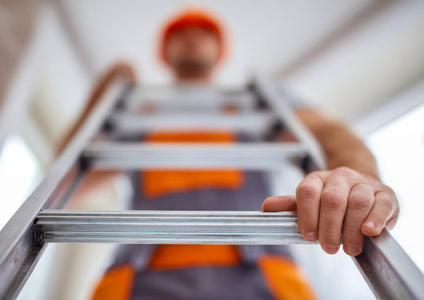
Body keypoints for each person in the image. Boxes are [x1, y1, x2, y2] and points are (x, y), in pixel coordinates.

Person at [58, 9, 399, 300]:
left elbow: (327, 133)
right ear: (165, 51)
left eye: (203, 32)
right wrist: (101, 98)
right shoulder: (139, 115)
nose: (192, 37)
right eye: (180, 33)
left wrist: (357, 176)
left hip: (263, 277)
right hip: (137, 280)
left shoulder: (257, 103)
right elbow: (64, 186)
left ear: (220, 49)